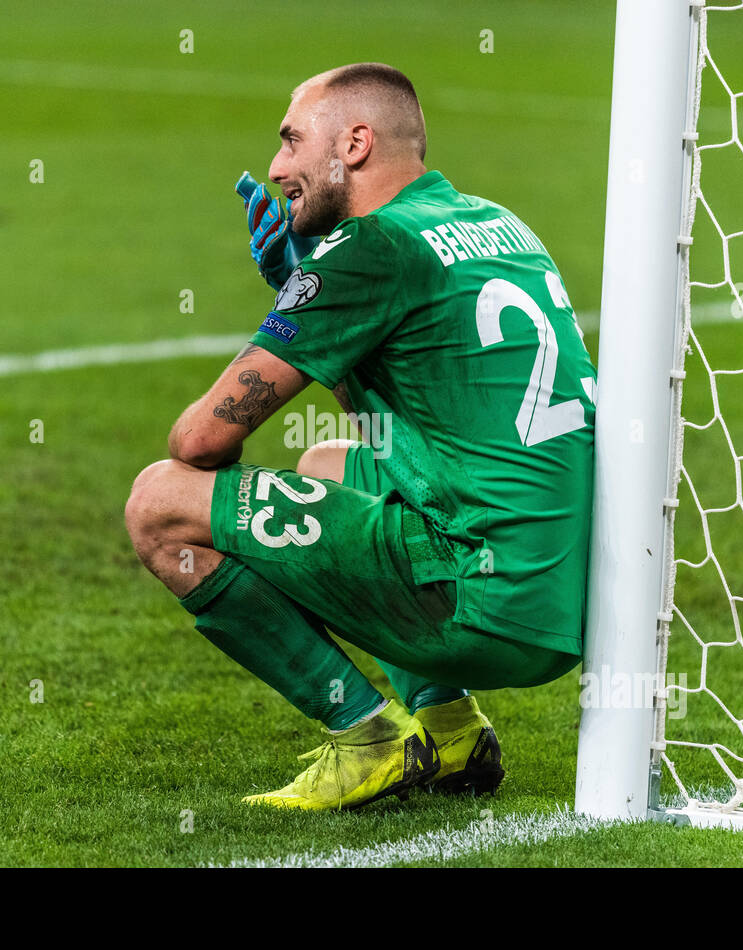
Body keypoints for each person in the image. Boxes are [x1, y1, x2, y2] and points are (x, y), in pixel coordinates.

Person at [124, 63, 596, 810]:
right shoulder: (495, 221)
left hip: (479, 598)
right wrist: (318, 312)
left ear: (354, 142)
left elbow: (200, 442)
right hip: (567, 596)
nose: (278, 168)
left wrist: (302, 299)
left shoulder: (372, 247)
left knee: (159, 502)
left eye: (290, 141)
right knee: (327, 462)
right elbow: (396, 423)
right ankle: (450, 723)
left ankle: (365, 736)